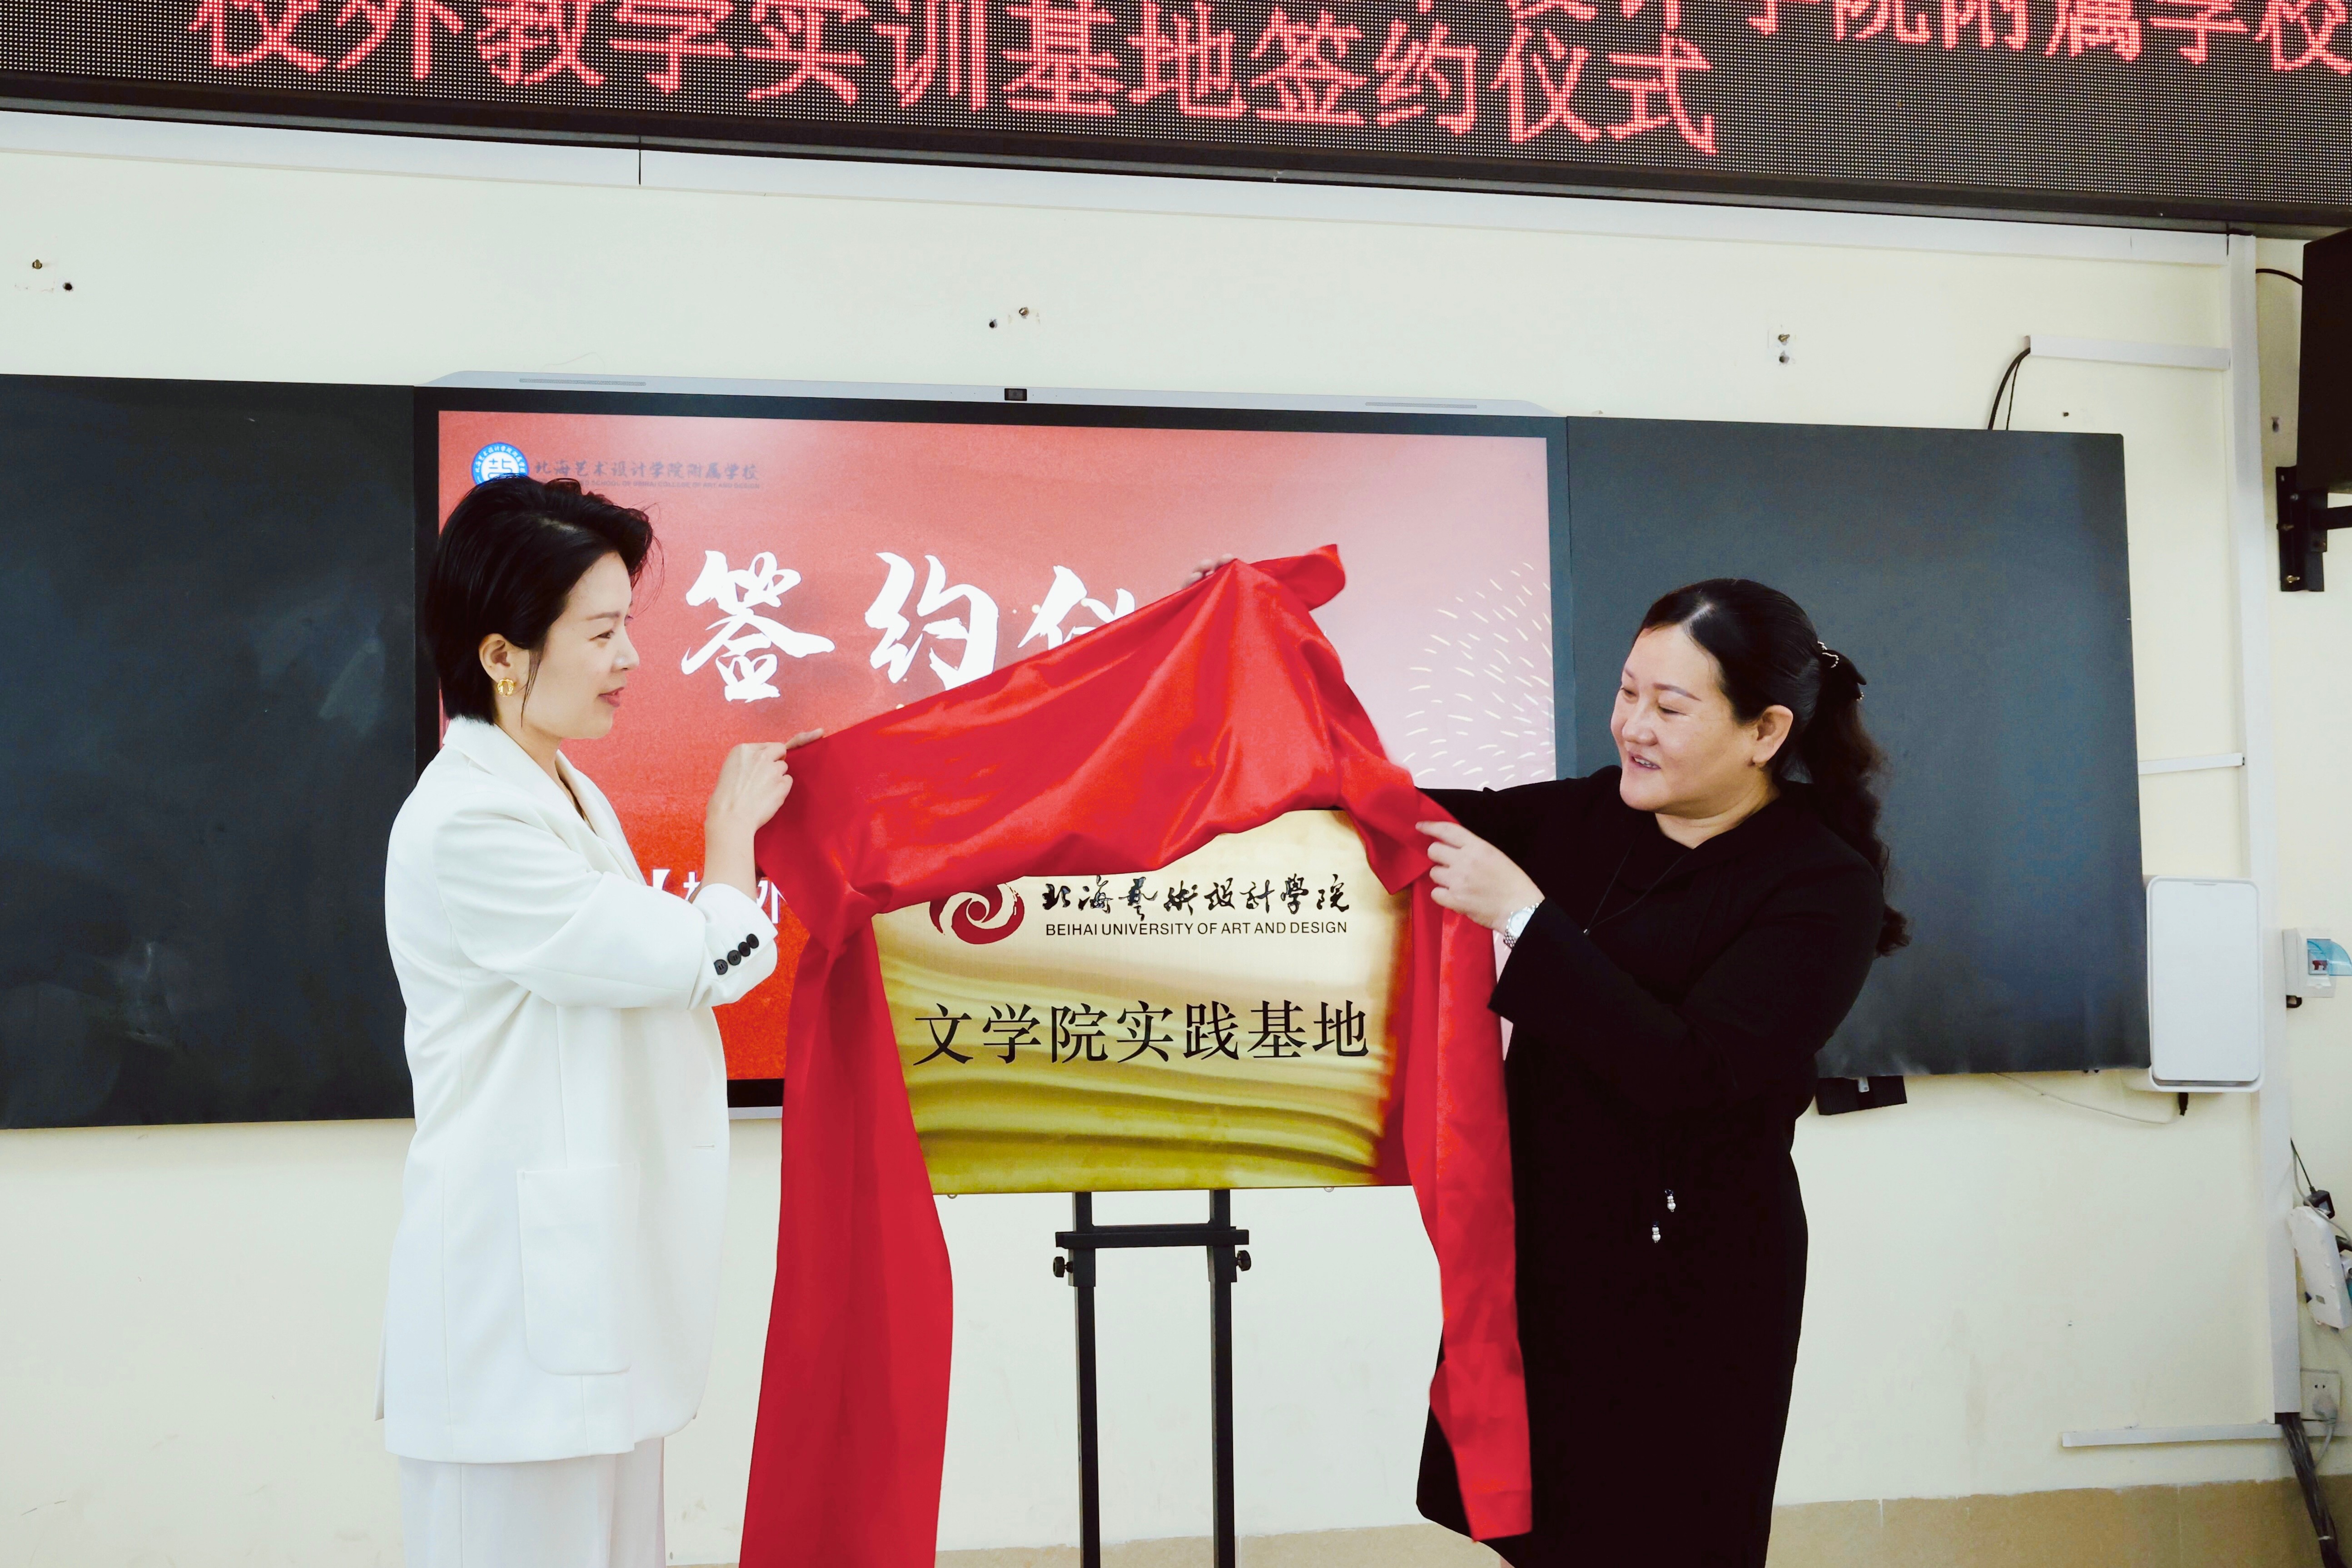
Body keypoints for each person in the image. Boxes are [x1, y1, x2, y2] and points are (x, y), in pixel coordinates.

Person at [1411, 578, 1906, 1568]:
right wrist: (1272, 699)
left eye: (1669, 707)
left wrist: (1523, 918)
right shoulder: (1592, 814)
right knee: (1541, 1533)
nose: (1632, 726)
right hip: (1550, 1253)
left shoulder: (1820, 884)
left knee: (1663, 1537)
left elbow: (1694, 1070)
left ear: (1765, 731)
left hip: (1693, 1280)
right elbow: (1412, 818)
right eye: (1627, 691)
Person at [380, 476, 818, 1568]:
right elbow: (689, 956)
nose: (630, 658)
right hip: (513, 1315)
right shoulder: (470, 822)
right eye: (602, 631)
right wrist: (729, 841)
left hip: (586, 1291)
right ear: (502, 655)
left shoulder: (564, 789)